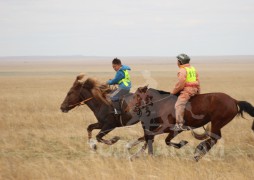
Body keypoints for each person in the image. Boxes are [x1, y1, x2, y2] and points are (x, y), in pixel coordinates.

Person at [171, 54, 200, 131]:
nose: (177, 62)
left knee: (178, 105)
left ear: (180, 62)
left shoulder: (182, 71)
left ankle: (179, 125)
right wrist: (198, 92)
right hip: (195, 89)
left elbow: (181, 84)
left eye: (177, 61)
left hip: (187, 91)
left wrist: (173, 92)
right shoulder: (193, 69)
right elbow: (197, 80)